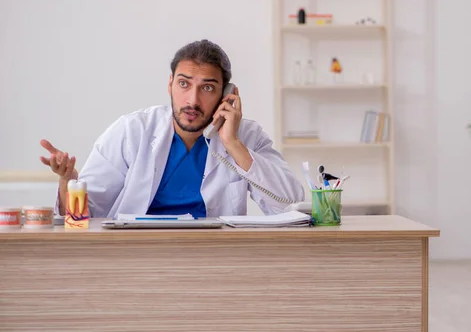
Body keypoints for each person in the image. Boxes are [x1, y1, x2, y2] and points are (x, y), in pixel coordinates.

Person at [40, 40, 305, 218]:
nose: (192, 100)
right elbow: (83, 216)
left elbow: (289, 205)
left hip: (216, 259)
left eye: (208, 88)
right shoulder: (132, 131)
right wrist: (68, 182)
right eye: (184, 84)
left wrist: (233, 144)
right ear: (170, 84)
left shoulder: (245, 136)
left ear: (227, 94)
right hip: (139, 256)